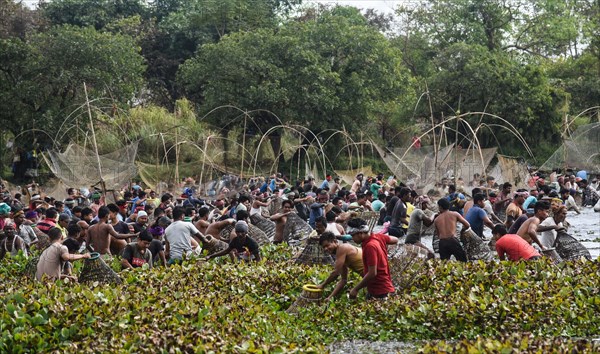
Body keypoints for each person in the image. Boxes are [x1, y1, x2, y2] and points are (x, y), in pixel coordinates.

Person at [347, 218, 398, 300]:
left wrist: (355, 289)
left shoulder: (370, 246)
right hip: (381, 286)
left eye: (353, 235)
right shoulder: (378, 237)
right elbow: (395, 240)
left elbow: (372, 273)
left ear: (360, 233)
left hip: (379, 289)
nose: (352, 238)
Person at [317, 232, 364, 300]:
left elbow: (336, 273)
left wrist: (322, 285)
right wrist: (330, 298)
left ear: (335, 241)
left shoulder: (343, 248)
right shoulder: (341, 256)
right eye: (324, 247)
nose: (325, 249)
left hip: (375, 278)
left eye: (327, 245)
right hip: (370, 280)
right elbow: (343, 280)